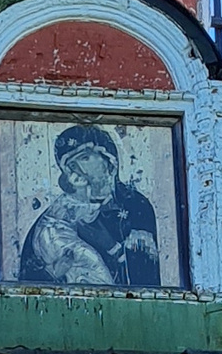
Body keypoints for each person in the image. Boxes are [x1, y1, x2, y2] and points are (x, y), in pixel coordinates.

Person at [14, 122, 163, 286]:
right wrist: (55, 271)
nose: (78, 169)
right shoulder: (58, 217)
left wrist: (111, 246)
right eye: (70, 165)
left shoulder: (134, 205)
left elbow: (145, 279)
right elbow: (30, 281)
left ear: (108, 159)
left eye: (84, 158)